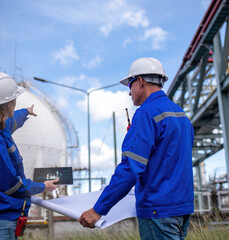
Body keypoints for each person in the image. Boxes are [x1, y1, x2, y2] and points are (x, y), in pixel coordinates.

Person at [79, 57, 194, 240]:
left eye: (130, 85)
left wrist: (97, 210)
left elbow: (130, 169)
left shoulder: (146, 114)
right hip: (182, 208)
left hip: (158, 212)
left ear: (140, 81)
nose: (129, 92)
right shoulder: (181, 115)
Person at [0, 72, 58, 240]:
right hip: (0, 223)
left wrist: (26, 112)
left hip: (1, 221)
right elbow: (10, 184)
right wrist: (43, 186)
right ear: (9, 102)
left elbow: (13, 121)